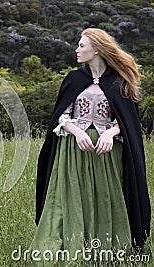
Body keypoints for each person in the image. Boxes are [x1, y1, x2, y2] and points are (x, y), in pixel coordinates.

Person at [29, 28, 151, 263]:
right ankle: (70, 246)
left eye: (82, 46)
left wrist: (110, 133)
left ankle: (106, 250)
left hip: (107, 153)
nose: (77, 49)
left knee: (106, 197)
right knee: (71, 197)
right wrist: (76, 132)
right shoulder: (74, 79)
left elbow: (128, 121)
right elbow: (61, 116)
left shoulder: (119, 82)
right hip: (74, 151)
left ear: (96, 49)